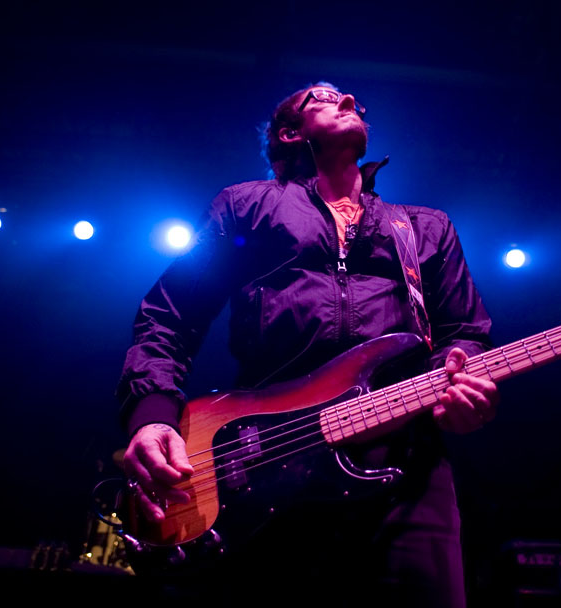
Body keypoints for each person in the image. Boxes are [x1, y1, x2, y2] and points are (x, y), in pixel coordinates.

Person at [116, 82, 499, 606]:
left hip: (407, 471)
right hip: (265, 464)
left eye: (351, 100)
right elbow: (169, 315)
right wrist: (154, 414)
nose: (346, 101)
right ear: (289, 133)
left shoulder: (424, 227)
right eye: (322, 97)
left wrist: (464, 382)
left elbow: (464, 335)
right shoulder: (247, 206)